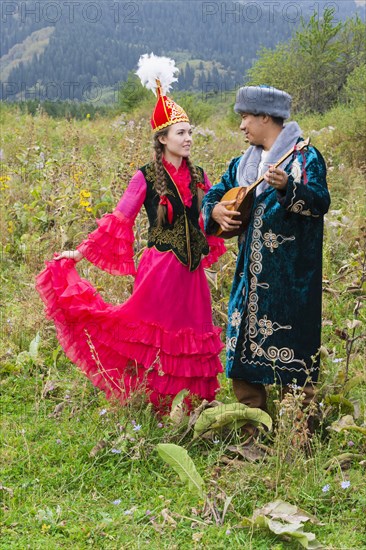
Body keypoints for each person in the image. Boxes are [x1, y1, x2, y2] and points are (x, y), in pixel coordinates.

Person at [36, 54, 226, 412]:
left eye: (190, 133)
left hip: (192, 275)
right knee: (149, 336)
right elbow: (120, 218)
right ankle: (154, 404)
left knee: (192, 339)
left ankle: (191, 408)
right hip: (159, 271)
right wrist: (79, 253)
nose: (188, 139)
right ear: (163, 138)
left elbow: (209, 217)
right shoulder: (146, 177)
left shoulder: (200, 176)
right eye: (181, 133)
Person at [202, 85, 330, 412]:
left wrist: (289, 187)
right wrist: (214, 211)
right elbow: (213, 196)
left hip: (293, 281)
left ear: (264, 117)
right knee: (242, 349)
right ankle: (251, 430)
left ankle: (299, 432)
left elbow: (319, 203)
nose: (242, 125)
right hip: (250, 279)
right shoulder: (242, 165)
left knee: (295, 354)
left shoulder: (304, 158)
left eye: (245, 117)